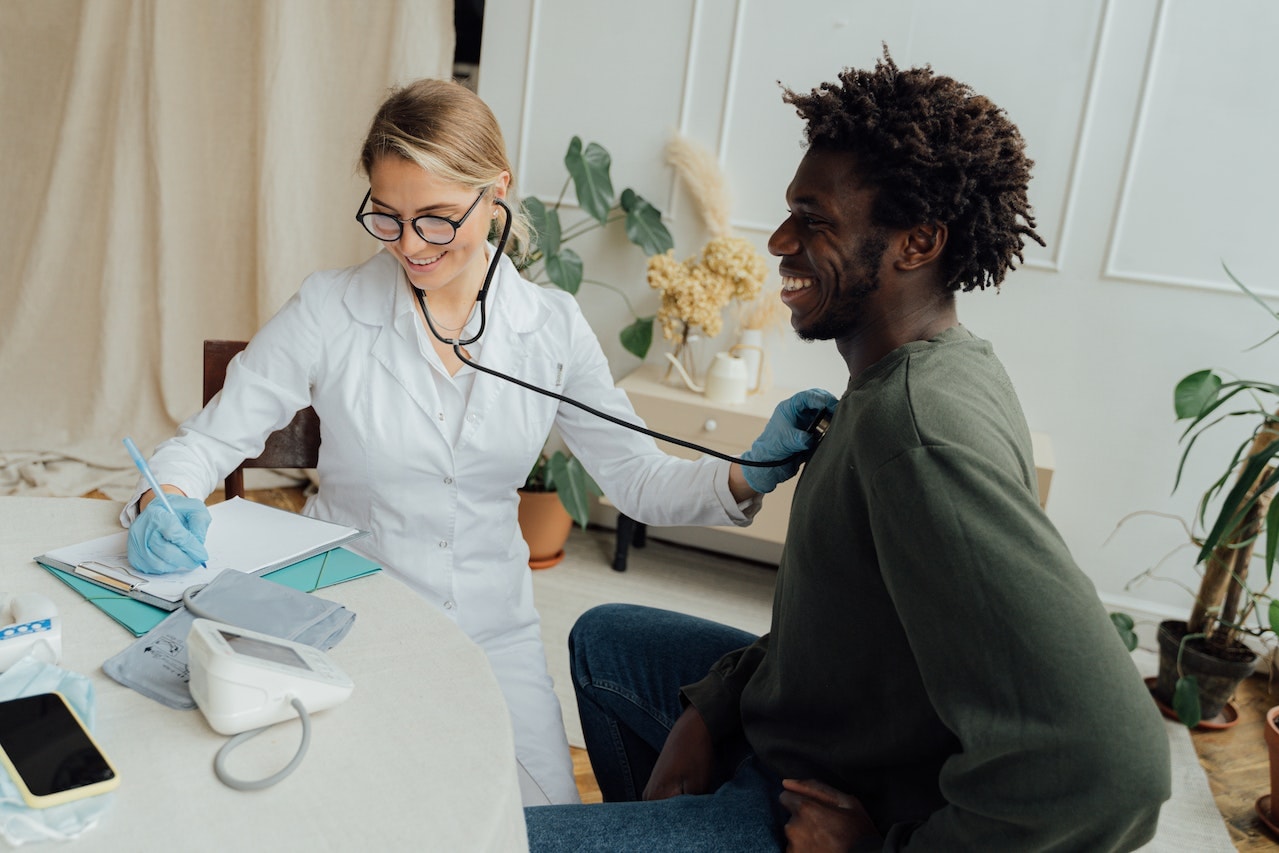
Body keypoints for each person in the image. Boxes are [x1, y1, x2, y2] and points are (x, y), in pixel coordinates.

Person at [118, 78, 832, 807]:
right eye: (387, 218)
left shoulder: (549, 328)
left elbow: (636, 478)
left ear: (497, 192)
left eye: (434, 219)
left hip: (494, 630)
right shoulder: (329, 308)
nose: (408, 245)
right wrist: (163, 497)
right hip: (345, 613)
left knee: (534, 818)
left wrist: (745, 474)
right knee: (344, 811)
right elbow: (207, 439)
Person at [524, 49, 1172, 850]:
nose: (781, 240)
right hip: (815, 733)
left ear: (916, 242)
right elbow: (844, 622)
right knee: (607, 638)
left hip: (818, 799)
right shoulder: (925, 372)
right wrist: (714, 705)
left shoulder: (918, 431)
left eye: (814, 219)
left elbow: (1116, 767)